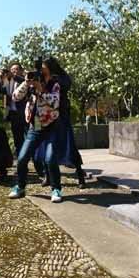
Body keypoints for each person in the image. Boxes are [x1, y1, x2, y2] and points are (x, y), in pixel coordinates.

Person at [8, 59, 64, 203]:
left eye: (43, 68)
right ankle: (20, 186)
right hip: (35, 126)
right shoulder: (31, 82)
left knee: (50, 159)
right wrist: (26, 83)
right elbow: (15, 97)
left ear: (49, 70)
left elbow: (55, 102)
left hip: (52, 126)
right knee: (22, 158)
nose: (40, 71)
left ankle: (56, 188)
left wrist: (40, 89)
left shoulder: (54, 84)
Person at [33, 57, 87, 189]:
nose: (42, 68)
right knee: (43, 145)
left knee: (68, 145)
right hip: (42, 115)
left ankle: (80, 174)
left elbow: (65, 86)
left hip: (60, 114)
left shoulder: (60, 77)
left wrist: (53, 80)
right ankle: (47, 175)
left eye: (44, 66)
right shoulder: (40, 77)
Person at [0, 63, 27, 156]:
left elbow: (22, 81)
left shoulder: (24, 80)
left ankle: (34, 160)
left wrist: (12, 75)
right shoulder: (8, 81)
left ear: (21, 71)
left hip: (24, 113)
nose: (13, 71)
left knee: (28, 137)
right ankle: (21, 161)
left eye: (16, 69)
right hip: (13, 114)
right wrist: (0, 78)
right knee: (17, 139)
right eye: (12, 70)